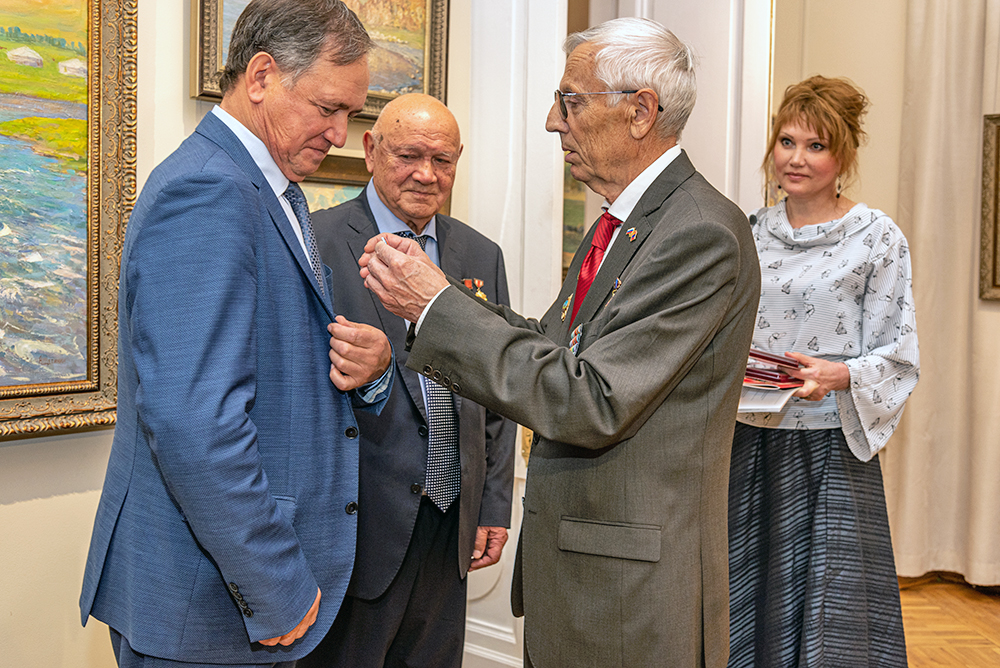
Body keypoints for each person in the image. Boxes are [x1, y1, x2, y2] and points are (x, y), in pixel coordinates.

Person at [357, 18, 761, 668]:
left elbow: (590, 400)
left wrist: (435, 307)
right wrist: (440, 298)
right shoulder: (626, 224)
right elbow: (551, 347)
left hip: (629, 598)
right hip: (589, 580)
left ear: (640, 112)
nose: (553, 122)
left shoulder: (698, 232)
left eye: (570, 101)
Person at [79, 1, 394, 665]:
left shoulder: (269, 187)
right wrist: (274, 582)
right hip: (208, 602)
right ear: (261, 77)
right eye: (328, 108)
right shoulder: (208, 190)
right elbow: (194, 421)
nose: (340, 134)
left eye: (350, 113)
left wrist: (363, 373)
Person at [301, 93, 517, 667]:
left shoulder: (481, 255)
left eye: (443, 160)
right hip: (359, 529)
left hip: (451, 525)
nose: (427, 174)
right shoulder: (315, 242)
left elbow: (498, 392)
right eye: (409, 156)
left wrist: (492, 504)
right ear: (371, 150)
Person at [728, 75, 919, 667]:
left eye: (816, 146)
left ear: (845, 156)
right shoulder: (746, 233)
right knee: (745, 598)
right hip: (747, 441)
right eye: (787, 142)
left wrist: (838, 376)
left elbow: (899, 352)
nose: (797, 158)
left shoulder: (877, 239)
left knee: (830, 612)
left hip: (830, 447)